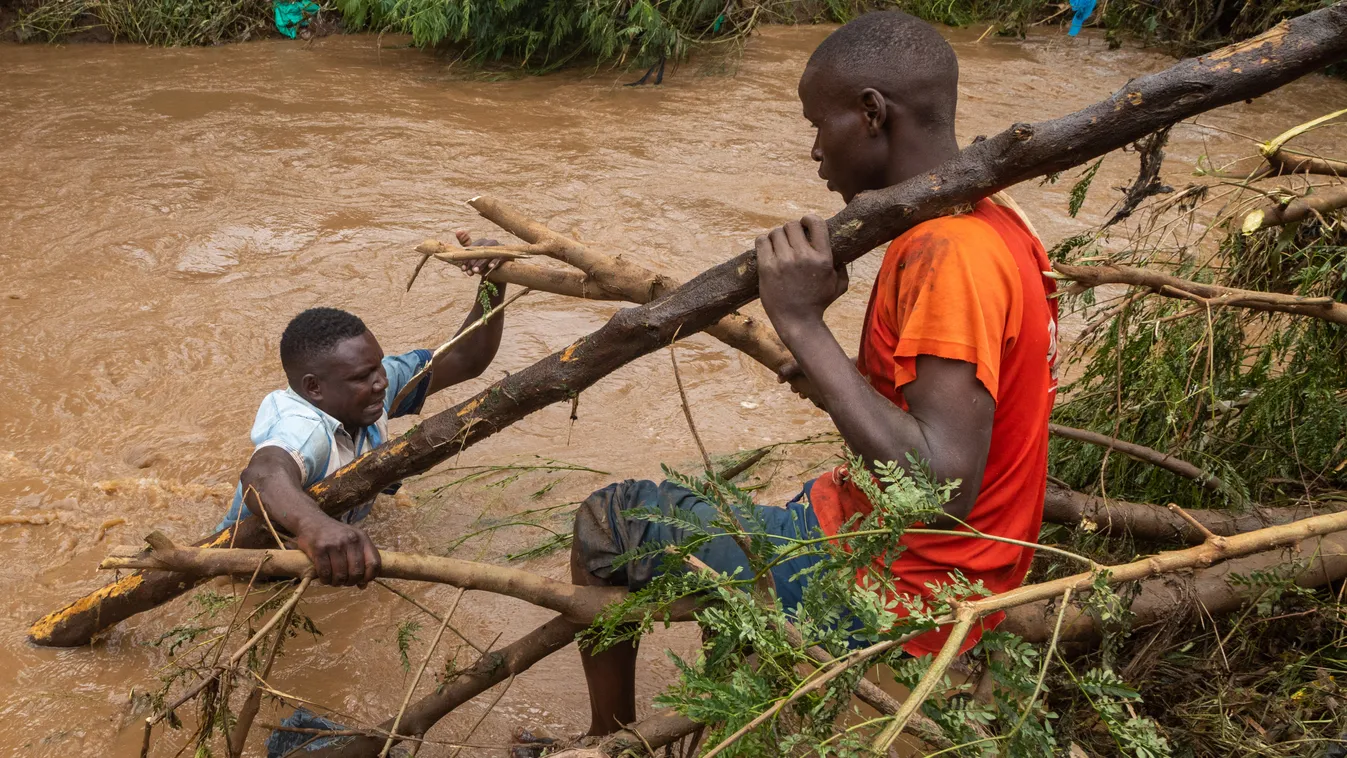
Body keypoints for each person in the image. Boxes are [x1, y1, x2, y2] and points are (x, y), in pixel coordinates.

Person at [568, 10, 1059, 736]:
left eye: (816, 122)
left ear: (869, 113)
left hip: (901, 589)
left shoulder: (944, 253)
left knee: (607, 522)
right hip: (963, 569)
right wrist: (833, 360)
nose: (812, 151)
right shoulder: (996, 222)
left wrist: (798, 322)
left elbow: (939, 488)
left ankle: (609, 744)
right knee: (787, 498)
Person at [218, 231, 507, 587]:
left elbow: (467, 358)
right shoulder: (303, 427)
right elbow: (262, 476)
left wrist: (493, 281)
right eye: (362, 377)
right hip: (253, 576)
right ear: (314, 388)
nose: (382, 383)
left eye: (379, 367)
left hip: (331, 556)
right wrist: (317, 526)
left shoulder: (372, 390)